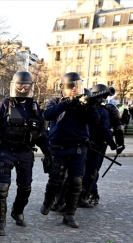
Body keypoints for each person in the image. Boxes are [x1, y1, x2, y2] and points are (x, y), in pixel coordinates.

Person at [0, 71, 50, 236]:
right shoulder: (4, 105)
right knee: (2, 187)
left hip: (26, 152)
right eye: (20, 85)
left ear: (30, 87)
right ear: (14, 86)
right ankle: (0, 220)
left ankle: (17, 211)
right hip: (6, 152)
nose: (23, 88)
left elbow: (41, 133)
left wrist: (48, 152)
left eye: (26, 86)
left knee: (26, 188)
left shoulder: (34, 107)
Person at [40, 72, 100, 228]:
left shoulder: (83, 104)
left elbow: (94, 122)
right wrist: (68, 102)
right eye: (71, 86)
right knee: (55, 180)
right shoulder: (56, 101)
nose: (74, 89)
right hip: (58, 147)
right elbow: (48, 114)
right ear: (63, 88)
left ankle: (70, 214)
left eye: (77, 86)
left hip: (78, 148)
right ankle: (48, 202)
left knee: (76, 182)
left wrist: (91, 107)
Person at [80, 84, 124, 207]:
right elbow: (110, 129)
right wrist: (115, 144)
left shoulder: (86, 107)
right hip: (97, 144)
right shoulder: (105, 110)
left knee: (84, 169)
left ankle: (87, 192)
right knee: (92, 171)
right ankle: (88, 194)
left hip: (85, 143)